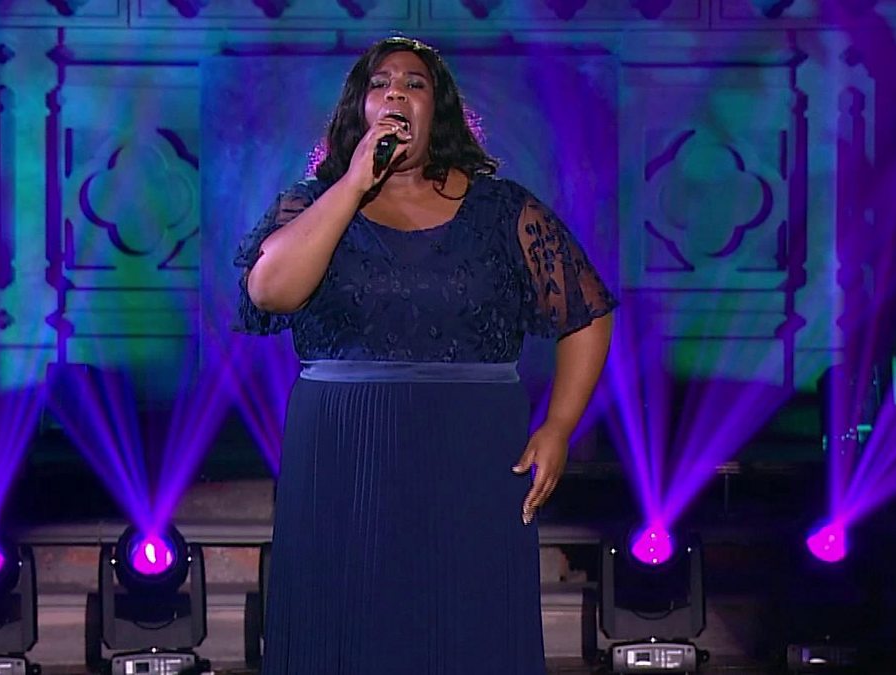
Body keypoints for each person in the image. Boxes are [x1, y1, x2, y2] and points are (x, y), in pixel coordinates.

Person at [234, 36, 616, 675]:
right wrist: (354, 183)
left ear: (438, 109)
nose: (396, 93)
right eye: (380, 84)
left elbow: (587, 310)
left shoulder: (503, 209)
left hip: (472, 451)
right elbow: (271, 292)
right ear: (358, 109)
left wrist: (558, 426)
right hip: (343, 449)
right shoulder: (314, 202)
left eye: (414, 83)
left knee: (467, 628)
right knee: (345, 628)